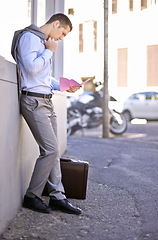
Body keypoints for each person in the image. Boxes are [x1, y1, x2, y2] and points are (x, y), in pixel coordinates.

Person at [11, 13, 82, 214]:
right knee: (49, 150)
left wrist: (64, 85)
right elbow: (32, 70)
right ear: (56, 23)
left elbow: (42, 78)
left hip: (45, 100)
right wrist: (50, 51)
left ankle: (58, 196)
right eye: (63, 33)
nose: (61, 38)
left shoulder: (42, 42)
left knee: (54, 152)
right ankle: (31, 196)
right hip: (33, 101)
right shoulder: (30, 37)